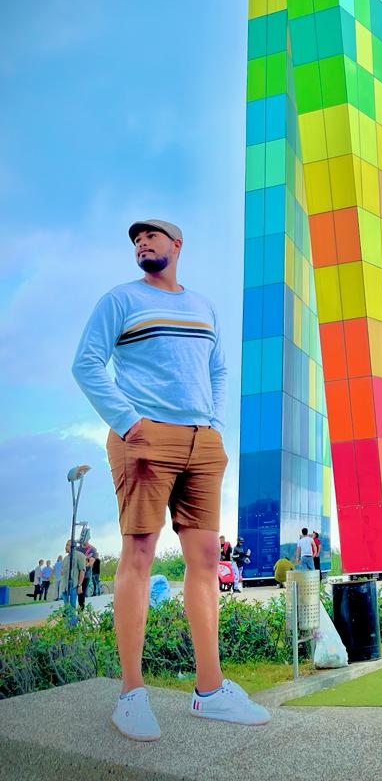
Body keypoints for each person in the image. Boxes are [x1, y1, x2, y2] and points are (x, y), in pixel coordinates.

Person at [72, 219, 269, 741]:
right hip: (143, 437)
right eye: (136, 239)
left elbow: (218, 370)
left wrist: (215, 425)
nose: (142, 242)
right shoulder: (121, 300)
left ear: (177, 245)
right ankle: (131, 694)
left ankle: (211, 691)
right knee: (138, 553)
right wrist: (128, 422)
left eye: (152, 236)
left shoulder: (203, 306)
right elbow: (86, 363)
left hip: (201, 440)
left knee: (204, 560)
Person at [60, 540, 86, 609]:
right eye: (66, 545)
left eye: (67, 545)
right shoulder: (65, 558)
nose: (66, 547)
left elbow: (82, 571)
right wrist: (62, 571)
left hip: (73, 585)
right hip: (64, 586)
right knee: (66, 607)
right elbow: (62, 571)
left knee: (72, 606)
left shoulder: (80, 555)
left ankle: (73, 616)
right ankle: (68, 616)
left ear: (73, 546)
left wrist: (79, 585)